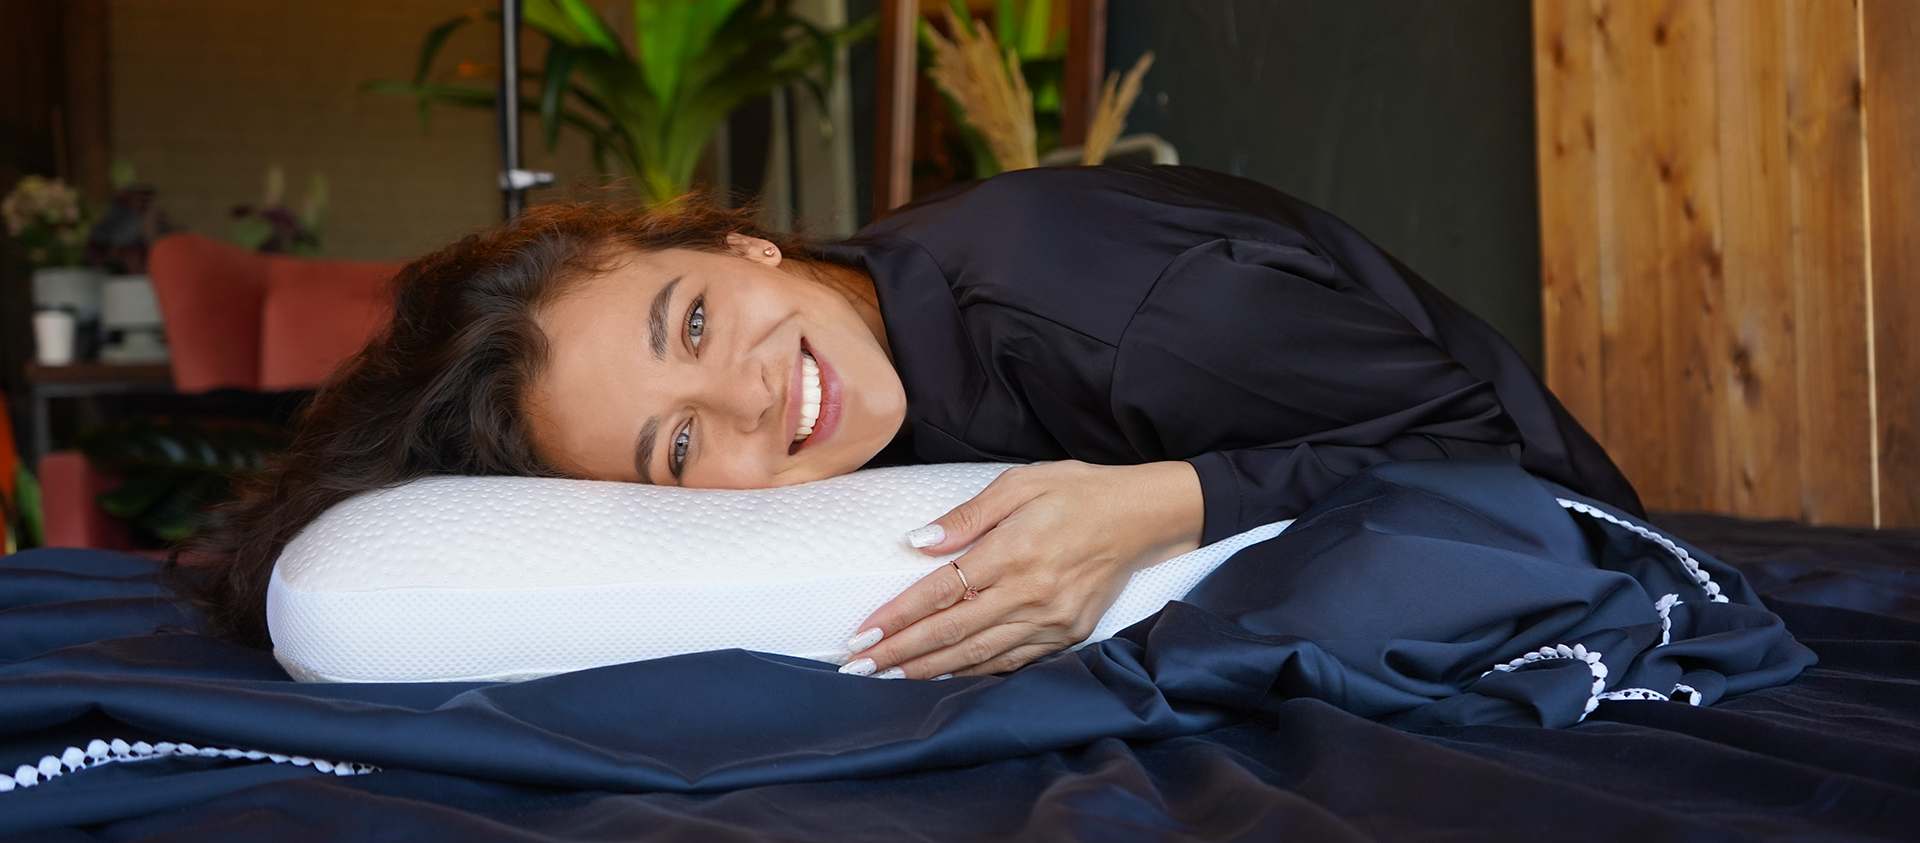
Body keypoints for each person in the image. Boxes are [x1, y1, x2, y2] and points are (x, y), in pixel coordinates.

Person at [173, 164, 1642, 681]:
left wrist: (1163, 503)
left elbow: (1511, 466)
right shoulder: (870, 315)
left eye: (694, 324)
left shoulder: (1138, 318)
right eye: (677, 450)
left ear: (739, 245)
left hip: (1584, 558)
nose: (747, 397)